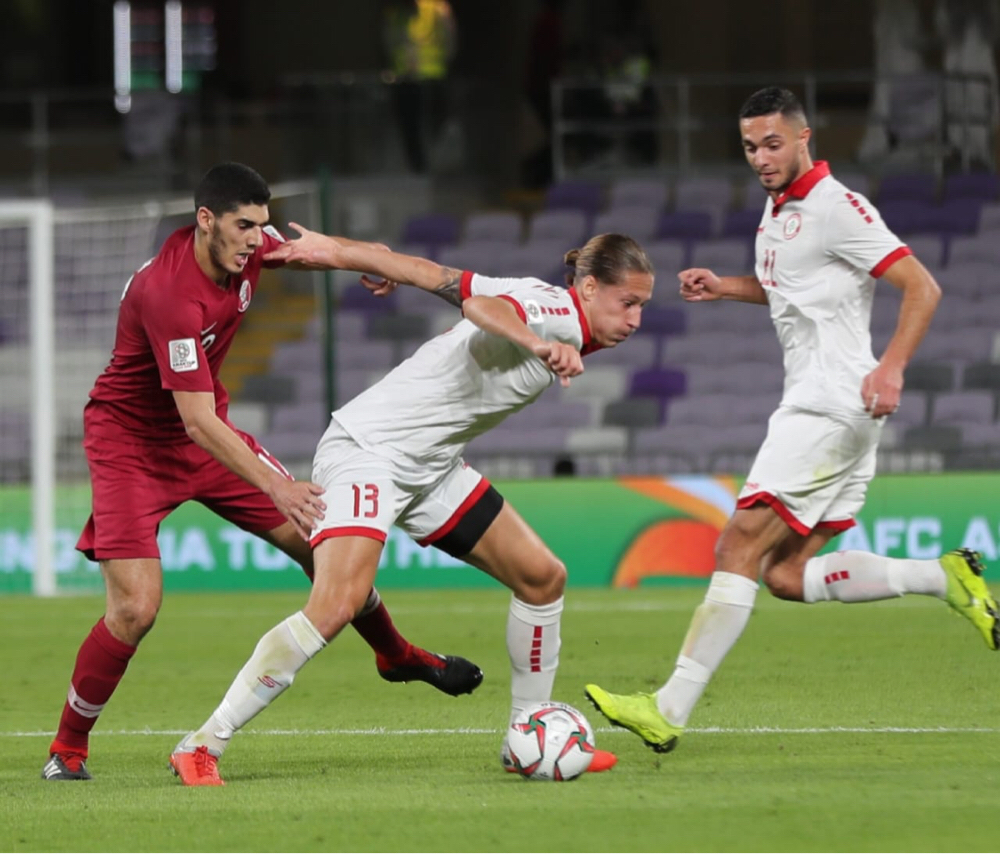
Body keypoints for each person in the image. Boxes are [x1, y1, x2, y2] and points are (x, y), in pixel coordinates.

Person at [585, 87, 999, 755]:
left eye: (773, 143)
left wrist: (891, 367)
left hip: (826, 406)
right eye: (750, 146)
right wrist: (727, 286)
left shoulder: (837, 209)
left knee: (735, 549)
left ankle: (667, 707)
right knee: (782, 574)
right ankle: (942, 576)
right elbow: (790, 292)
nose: (761, 157)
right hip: (837, 411)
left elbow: (923, 285)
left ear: (805, 138)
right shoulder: (779, 213)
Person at [41, 162, 482, 783]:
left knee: (322, 546)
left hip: (203, 435)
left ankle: (396, 656)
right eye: (244, 225)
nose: (256, 238)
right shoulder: (170, 294)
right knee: (136, 608)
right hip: (132, 446)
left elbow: (317, 248)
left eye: (261, 225)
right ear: (206, 221)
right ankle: (68, 748)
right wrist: (276, 483)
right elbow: (194, 421)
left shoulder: (245, 252)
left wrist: (375, 262)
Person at [169, 229, 655, 785]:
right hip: (370, 453)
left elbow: (436, 276)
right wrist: (539, 344)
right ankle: (203, 743)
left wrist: (334, 249)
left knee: (543, 578)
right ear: (589, 288)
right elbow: (481, 306)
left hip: (430, 467)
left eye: (642, 305)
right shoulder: (553, 315)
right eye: (629, 303)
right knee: (335, 606)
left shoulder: (543, 298)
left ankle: (528, 735)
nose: (636, 320)